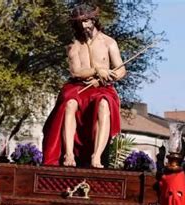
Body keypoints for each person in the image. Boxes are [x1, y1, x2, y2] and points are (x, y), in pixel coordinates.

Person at [43, 5, 126, 168]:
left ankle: (96, 156)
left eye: (86, 21)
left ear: (93, 20)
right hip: (78, 87)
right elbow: (76, 72)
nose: (83, 25)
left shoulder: (109, 42)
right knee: (69, 103)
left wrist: (106, 77)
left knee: (104, 103)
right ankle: (69, 154)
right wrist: (96, 70)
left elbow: (121, 69)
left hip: (102, 87)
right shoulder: (74, 45)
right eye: (79, 22)